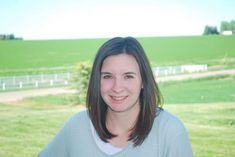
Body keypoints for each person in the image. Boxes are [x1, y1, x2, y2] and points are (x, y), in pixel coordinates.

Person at [37, 37, 194, 157]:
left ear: (143, 81)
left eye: (128, 76)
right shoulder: (77, 126)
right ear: (97, 81)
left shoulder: (170, 132)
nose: (117, 87)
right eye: (107, 76)